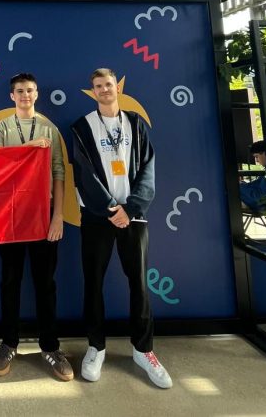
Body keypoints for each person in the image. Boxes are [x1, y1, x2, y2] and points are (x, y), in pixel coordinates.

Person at [70, 68, 171, 389]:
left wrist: (131, 208)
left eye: (108, 84)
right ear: (92, 91)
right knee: (93, 283)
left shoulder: (135, 124)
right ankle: (95, 347)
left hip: (133, 217)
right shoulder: (82, 127)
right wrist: (110, 209)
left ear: (117, 88)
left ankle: (143, 350)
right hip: (97, 217)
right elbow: (83, 174)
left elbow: (148, 168)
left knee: (139, 284)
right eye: (98, 86)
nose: (104, 90)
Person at [0, 72, 73, 381]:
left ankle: (50, 346)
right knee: (11, 280)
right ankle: (8, 343)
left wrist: (58, 215)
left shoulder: (50, 128)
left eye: (30, 90)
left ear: (37, 94)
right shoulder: (3, 127)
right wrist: (29, 148)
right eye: (20, 91)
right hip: (10, 214)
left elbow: (59, 172)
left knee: (45, 282)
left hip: (43, 214)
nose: (25, 95)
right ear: (12, 96)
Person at [240, 140, 266, 212]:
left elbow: (260, 197)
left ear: (265, 153)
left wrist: (240, 187)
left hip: (261, 202)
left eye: (257, 156)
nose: (256, 160)